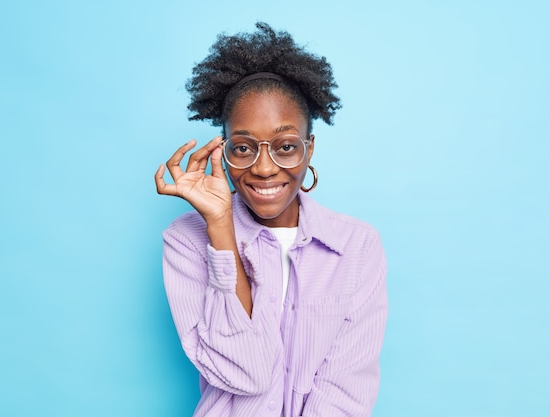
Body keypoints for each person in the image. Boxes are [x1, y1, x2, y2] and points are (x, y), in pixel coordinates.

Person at [155, 22, 388, 417]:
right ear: (223, 151)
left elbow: (345, 394)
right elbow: (247, 374)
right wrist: (220, 226)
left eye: (285, 146)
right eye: (244, 147)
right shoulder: (186, 241)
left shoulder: (357, 247)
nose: (264, 168)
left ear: (309, 149)